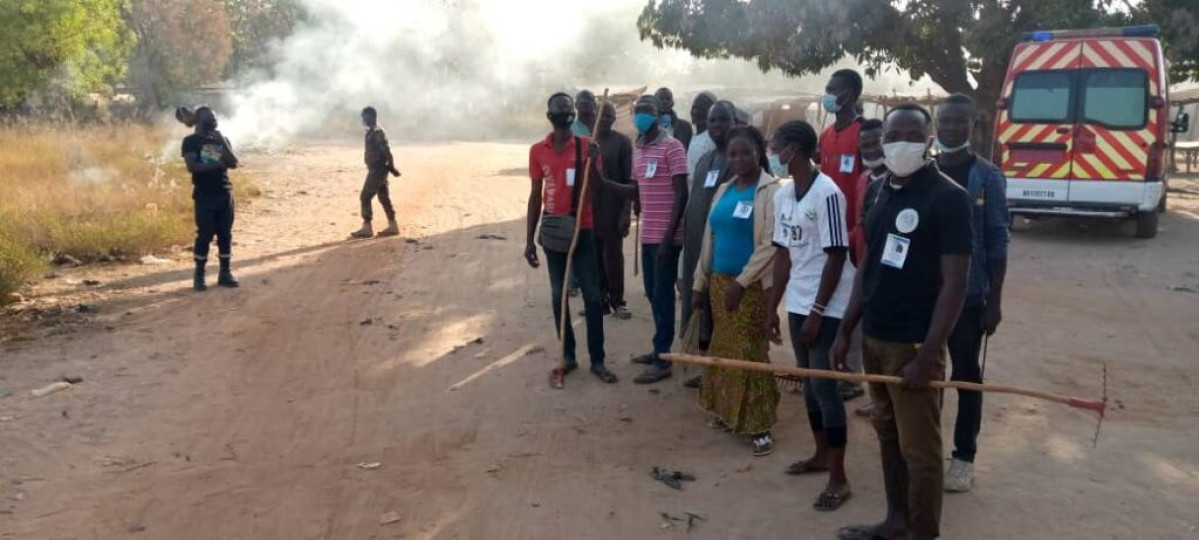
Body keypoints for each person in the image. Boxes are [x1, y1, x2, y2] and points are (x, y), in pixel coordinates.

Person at [833, 104, 973, 540]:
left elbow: (955, 284)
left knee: (922, 452)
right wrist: (846, 329)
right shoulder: (878, 192)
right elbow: (867, 265)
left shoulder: (948, 197)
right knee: (889, 437)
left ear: (929, 140)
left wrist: (928, 354)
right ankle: (896, 522)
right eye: (894, 135)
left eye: (914, 134)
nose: (901, 143)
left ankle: (921, 533)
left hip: (913, 345)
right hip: (875, 336)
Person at [765, 120, 856, 510]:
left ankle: (839, 477)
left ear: (795, 149)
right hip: (800, 301)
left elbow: (837, 256)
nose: (773, 152)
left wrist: (819, 312)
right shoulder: (784, 196)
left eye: (777, 146)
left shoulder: (828, 194)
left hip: (828, 303)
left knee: (823, 385)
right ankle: (821, 455)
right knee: (807, 382)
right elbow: (783, 254)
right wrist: (774, 307)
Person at [934, 94, 1010, 493]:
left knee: (965, 375)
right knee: (926, 374)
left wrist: (994, 301)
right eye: (943, 121)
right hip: (925, 296)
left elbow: (997, 240)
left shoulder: (987, 176)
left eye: (957, 122)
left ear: (972, 126)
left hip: (968, 294)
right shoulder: (924, 171)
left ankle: (964, 457)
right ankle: (927, 452)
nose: (949, 129)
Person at [694, 125, 782, 456]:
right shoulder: (723, 189)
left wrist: (741, 283)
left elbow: (771, 243)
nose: (740, 158)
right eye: (734, 153)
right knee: (725, 349)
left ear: (759, 153)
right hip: (719, 283)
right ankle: (729, 411)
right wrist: (700, 283)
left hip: (752, 287)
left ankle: (760, 425)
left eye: (746, 152)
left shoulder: (771, 192)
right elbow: (709, 237)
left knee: (750, 352)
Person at [524, 92, 618, 384]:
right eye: (558, 110)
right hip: (553, 232)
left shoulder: (588, 146)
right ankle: (568, 355)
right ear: (549, 116)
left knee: (592, 295)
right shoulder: (538, 150)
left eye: (568, 109)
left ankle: (598, 359)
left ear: (574, 114)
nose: (564, 114)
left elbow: (598, 188)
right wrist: (529, 240)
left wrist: (594, 162)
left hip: (583, 229)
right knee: (557, 295)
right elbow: (534, 196)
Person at [625, 95, 689, 384]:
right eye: (637, 111)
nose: (641, 116)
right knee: (652, 293)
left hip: (667, 236)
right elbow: (635, 188)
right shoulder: (637, 149)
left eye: (646, 111)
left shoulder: (672, 146)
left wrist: (668, 238)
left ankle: (663, 357)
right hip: (648, 234)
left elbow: (681, 193)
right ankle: (658, 348)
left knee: (662, 294)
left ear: (658, 114)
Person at [679, 100, 736, 388]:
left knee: (723, 312)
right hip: (696, 249)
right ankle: (707, 368)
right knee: (702, 309)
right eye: (713, 121)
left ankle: (725, 373)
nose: (717, 126)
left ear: (734, 122)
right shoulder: (705, 160)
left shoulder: (740, 160)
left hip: (724, 251)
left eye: (723, 120)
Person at [820, 69, 867, 402]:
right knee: (831, 298)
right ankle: (830, 365)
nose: (827, 93)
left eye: (832, 89)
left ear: (849, 93)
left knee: (855, 301)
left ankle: (852, 374)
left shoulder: (862, 134)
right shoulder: (825, 136)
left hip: (857, 235)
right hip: (829, 232)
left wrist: (858, 231)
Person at [850, 118, 887, 419]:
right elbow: (858, 223)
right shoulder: (863, 179)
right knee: (868, 337)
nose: (870, 148)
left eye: (876, 142)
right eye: (864, 144)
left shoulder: (897, 179)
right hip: (863, 264)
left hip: (888, 271)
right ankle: (877, 397)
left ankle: (888, 400)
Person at [181, 106, 240, 291]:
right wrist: (218, 163)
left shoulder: (219, 138)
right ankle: (199, 275)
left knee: (225, 235)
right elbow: (193, 167)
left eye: (215, 115)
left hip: (224, 192)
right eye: (210, 116)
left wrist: (221, 141)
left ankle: (225, 273)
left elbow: (234, 163)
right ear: (199, 119)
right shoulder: (190, 141)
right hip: (204, 195)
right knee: (205, 235)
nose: (214, 118)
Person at [593, 101, 635, 320]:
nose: (606, 120)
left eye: (610, 116)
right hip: (590, 210)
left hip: (613, 208)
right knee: (594, 257)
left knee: (613, 258)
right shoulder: (586, 142)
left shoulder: (622, 143)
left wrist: (625, 212)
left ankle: (618, 301)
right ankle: (600, 300)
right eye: (602, 116)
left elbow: (630, 181)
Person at [351, 107, 401, 239]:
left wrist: (392, 167)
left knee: (365, 196)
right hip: (378, 169)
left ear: (371, 117)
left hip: (377, 170)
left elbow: (387, 152)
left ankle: (367, 227)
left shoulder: (377, 132)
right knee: (383, 198)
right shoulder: (372, 132)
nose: (363, 120)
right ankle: (393, 225)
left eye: (365, 117)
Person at [686, 91, 718, 179]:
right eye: (694, 108)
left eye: (701, 109)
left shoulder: (711, 139)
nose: (695, 112)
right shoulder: (694, 136)